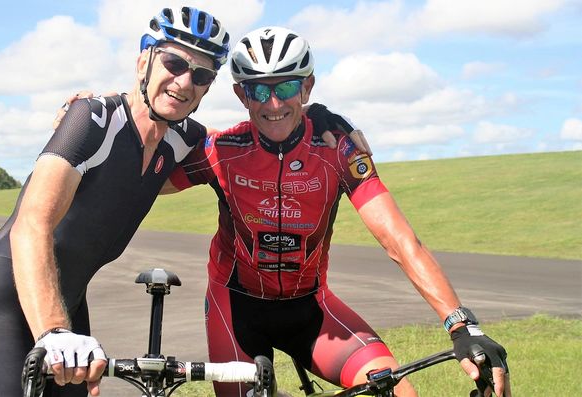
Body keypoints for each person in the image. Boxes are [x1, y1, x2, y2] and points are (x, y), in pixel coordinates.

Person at [164, 27, 511, 397]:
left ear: (307, 88)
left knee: (398, 392)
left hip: (311, 309)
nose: (274, 104)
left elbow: (399, 239)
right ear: (241, 95)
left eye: (286, 88)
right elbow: (147, 177)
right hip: (235, 309)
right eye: (259, 90)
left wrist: (461, 326)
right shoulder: (223, 152)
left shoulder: (336, 149)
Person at [0, 7, 232, 396]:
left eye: (202, 74)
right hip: (10, 286)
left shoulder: (184, 138)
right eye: (174, 62)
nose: (184, 81)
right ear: (144, 61)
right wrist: (54, 331)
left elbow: (253, 141)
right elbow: (32, 224)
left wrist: (331, 129)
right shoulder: (92, 119)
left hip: (69, 297)